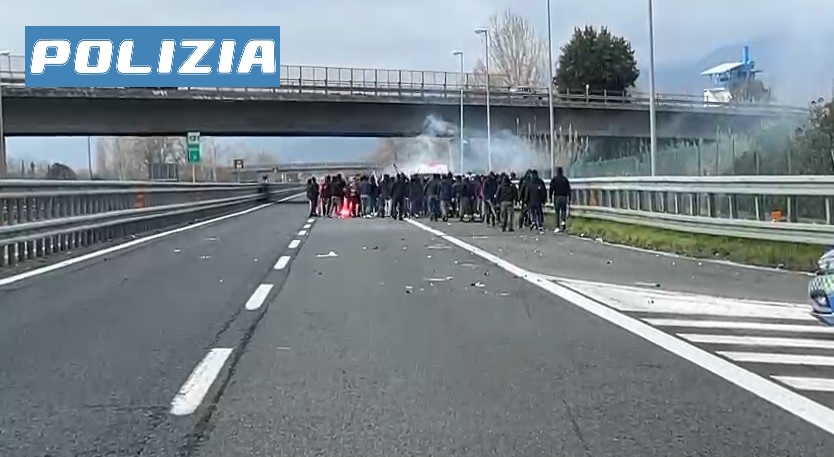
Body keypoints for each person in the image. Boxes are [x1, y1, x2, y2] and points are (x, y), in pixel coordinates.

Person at [549, 166, 571, 232]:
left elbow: (551, 189)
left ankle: (557, 227)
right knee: (563, 210)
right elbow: (568, 189)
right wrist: (569, 197)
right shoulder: (565, 179)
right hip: (564, 197)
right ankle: (563, 221)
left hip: (557, 197)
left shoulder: (554, 179)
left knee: (557, 212)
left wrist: (550, 197)